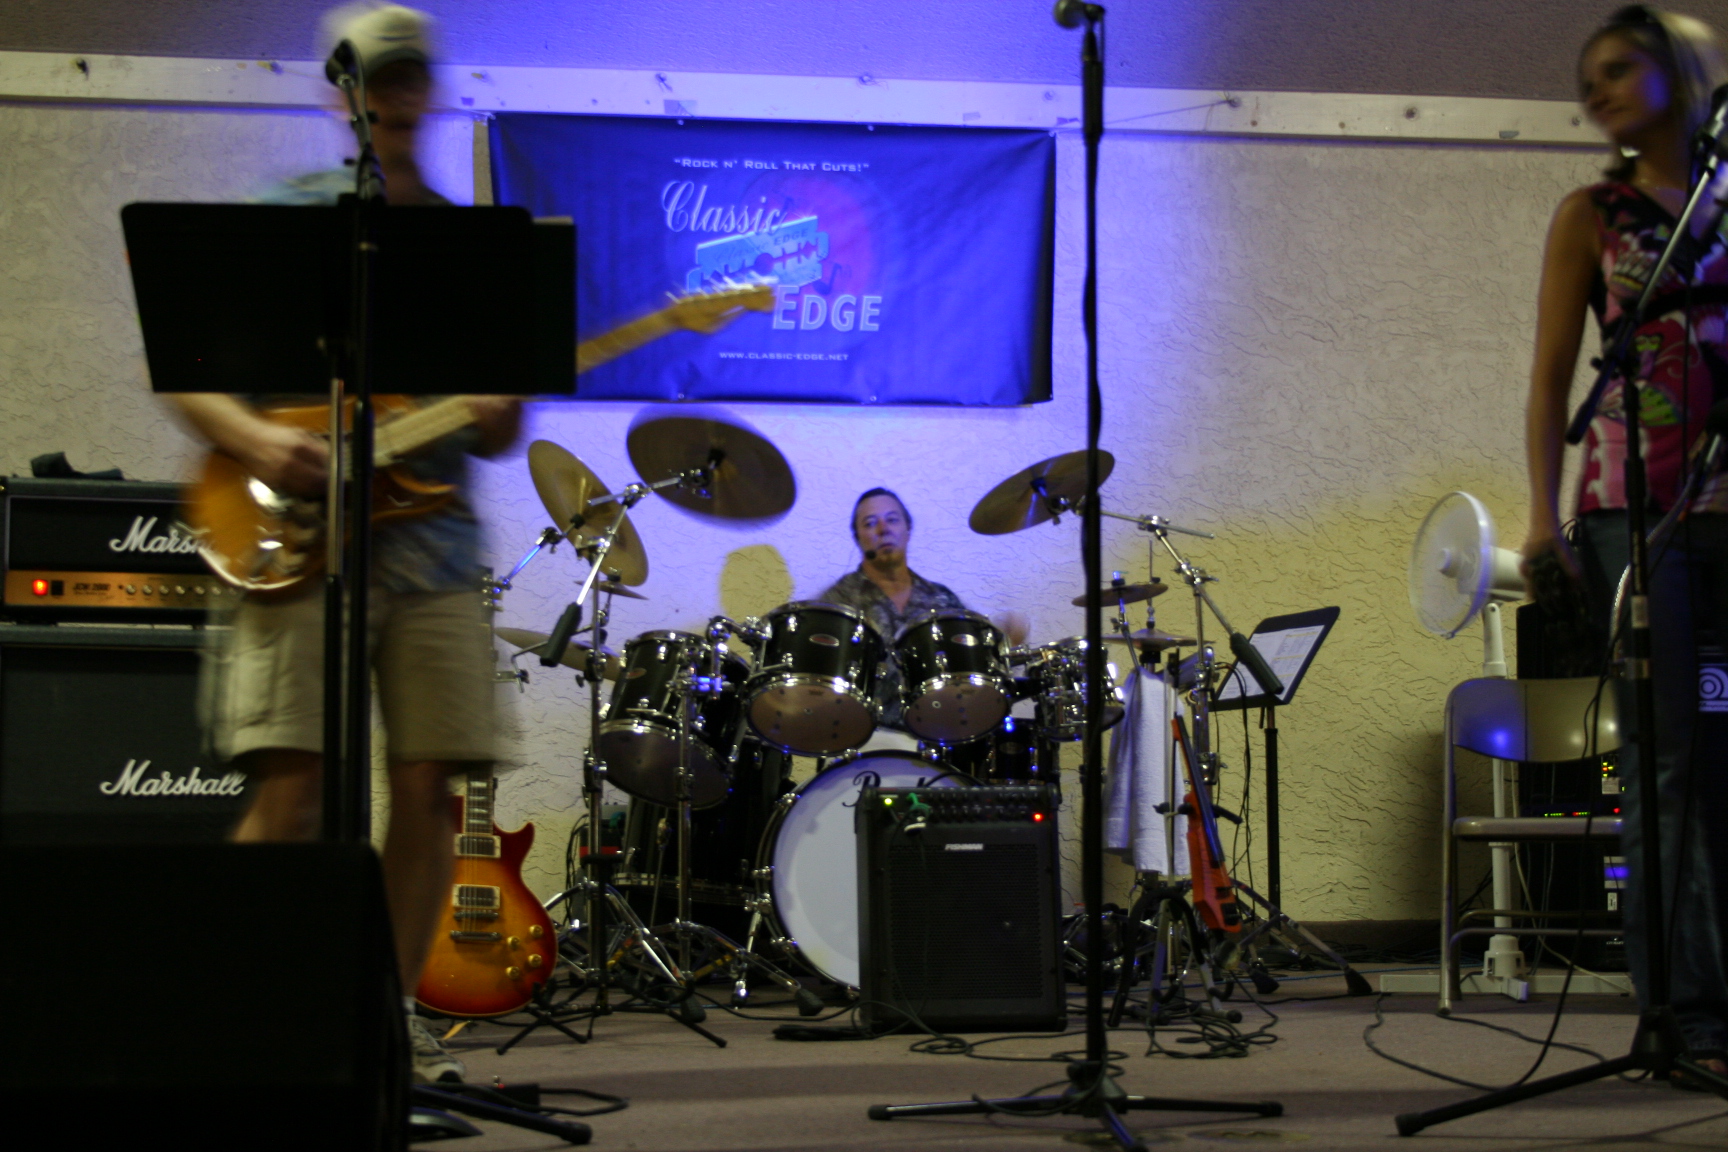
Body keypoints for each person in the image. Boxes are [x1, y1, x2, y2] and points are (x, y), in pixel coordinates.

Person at [162, 3, 518, 1084]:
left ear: (431, 93)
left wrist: (499, 402)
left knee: (431, 789)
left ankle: (385, 1031)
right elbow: (184, 372)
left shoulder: (467, 242)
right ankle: (236, 1027)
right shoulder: (281, 218)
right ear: (341, 94)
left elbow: (501, 429)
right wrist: (258, 439)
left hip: (435, 548)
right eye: (374, 79)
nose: (393, 98)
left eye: (409, 78)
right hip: (295, 532)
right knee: (293, 791)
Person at [1522, 4, 1728, 1083]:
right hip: (1635, 522)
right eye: (1587, 78)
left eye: (1618, 70)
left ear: (1681, 75)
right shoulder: (1592, 214)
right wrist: (1538, 514)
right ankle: (1685, 1019)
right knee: (1668, 758)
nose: (1595, 91)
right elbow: (1552, 378)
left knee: (1721, 742)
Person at [819, 487, 1028, 735]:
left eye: (892, 519)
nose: (883, 529)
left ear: (907, 530)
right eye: (870, 523)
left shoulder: (940, 598)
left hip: (937, 736)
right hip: (862, 738)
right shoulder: (837, 602)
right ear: (858, 538)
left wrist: (1005, 643)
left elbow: (975, 670)